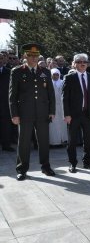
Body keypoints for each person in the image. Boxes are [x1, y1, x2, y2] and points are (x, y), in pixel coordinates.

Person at [9, 43, 56, 180]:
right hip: (24, 114)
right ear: (25, 56)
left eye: (36, 55)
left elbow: (51, 94)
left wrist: (51, 111)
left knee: (43, 141)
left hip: (42, 113)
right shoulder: (17, 71)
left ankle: (46, 166)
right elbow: (12, 96)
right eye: (31, 55)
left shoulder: (45, 72)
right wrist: (14, 114)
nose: (34, 58)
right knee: (23, 142)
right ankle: (22, 169)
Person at [62, 54, 90, 173]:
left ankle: (87, 162)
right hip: (73, 115)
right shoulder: (69, 78)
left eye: (84, 61)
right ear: (74, 64)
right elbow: (65, 98)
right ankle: (72, 163)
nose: (82, 63)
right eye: (79, 61)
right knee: (72, 141)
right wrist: (66, 114)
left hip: (88, 114)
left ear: (87, 64)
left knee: (88, 140)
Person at [49, 68, 68, 146]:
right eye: (54, 74)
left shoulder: (62, 82)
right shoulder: (49, 83)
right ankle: (54, 142)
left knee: (62, 124)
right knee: (53, 125)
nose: (56, 76)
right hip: (53, 107)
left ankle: (63, 140)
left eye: (57, 74)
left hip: (62, 107)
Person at [0, 53, 14, 151]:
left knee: (6, 125)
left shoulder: (9, 72)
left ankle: (6, 145)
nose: (0, 60)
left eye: (1, 58)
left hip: (5, 103)